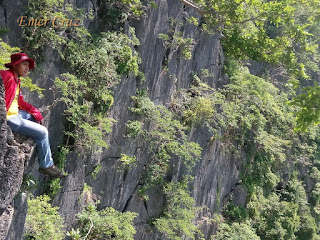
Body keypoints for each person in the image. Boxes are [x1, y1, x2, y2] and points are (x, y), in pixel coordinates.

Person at [0, 53, 63, 178]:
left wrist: (36, 112)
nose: (27, 68)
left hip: (16, 114)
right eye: (24, 64)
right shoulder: (7, 75)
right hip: (9, 118)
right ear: (15, 65)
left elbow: (20, 102)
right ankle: (46, 165)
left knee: (34, 117)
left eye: (28, 66)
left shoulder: (17, 81)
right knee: (43, 132)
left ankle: (35, 136)